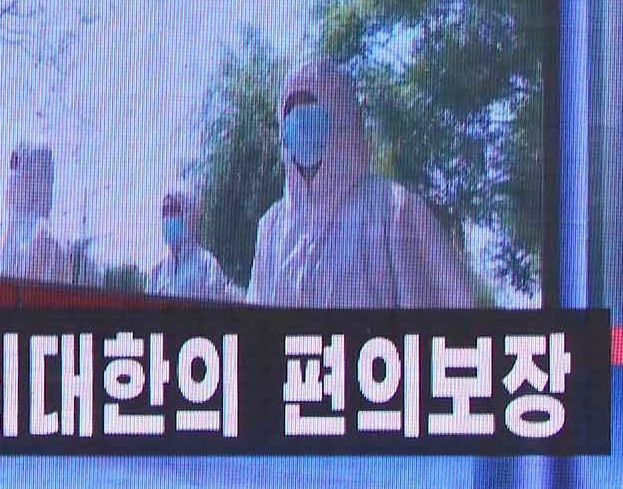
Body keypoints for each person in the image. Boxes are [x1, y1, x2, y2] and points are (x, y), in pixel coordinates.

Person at [247, 55, 477, 309]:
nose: (301, 124)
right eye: (291, 114)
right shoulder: (271, 229)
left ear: (341, 115)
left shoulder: (395, 210)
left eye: (311, 107)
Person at [0, 142, 68, 284]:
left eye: (18, 173)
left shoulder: (51, 248)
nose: (9, 180)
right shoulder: (3, 234)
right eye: (11, 171)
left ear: (36, 184)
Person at [146, 187, 240, 301]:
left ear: (188, 215)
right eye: (164, 212)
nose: (168, 218)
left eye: (173, 210)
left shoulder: (207, 265)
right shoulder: (157, 271)